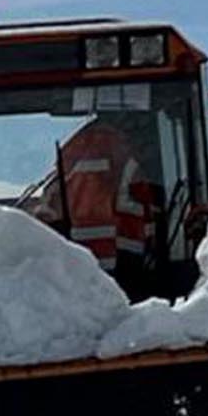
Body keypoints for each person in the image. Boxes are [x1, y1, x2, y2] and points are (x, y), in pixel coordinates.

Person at [52, 113, 162, 286]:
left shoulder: (69, 154)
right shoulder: (122, 154)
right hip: (125, 263)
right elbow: (144, 209)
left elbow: (49, 208)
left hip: (72, 272)